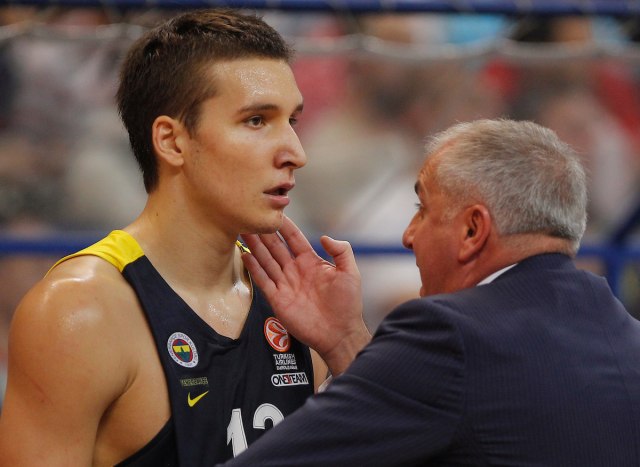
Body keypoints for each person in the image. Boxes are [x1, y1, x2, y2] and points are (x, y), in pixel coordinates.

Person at [0, 8, 328, 466]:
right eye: (256, 120)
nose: (295, 152)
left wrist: (347, 342)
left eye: (292, 121)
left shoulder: (300, 302)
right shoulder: (78, 312)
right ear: (172, 141)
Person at [222, 118, 640, 466]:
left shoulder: (450, 334)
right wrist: (347, 340)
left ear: (473, 230)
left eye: (422, 209)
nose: (408, 235)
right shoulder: (627, 334)